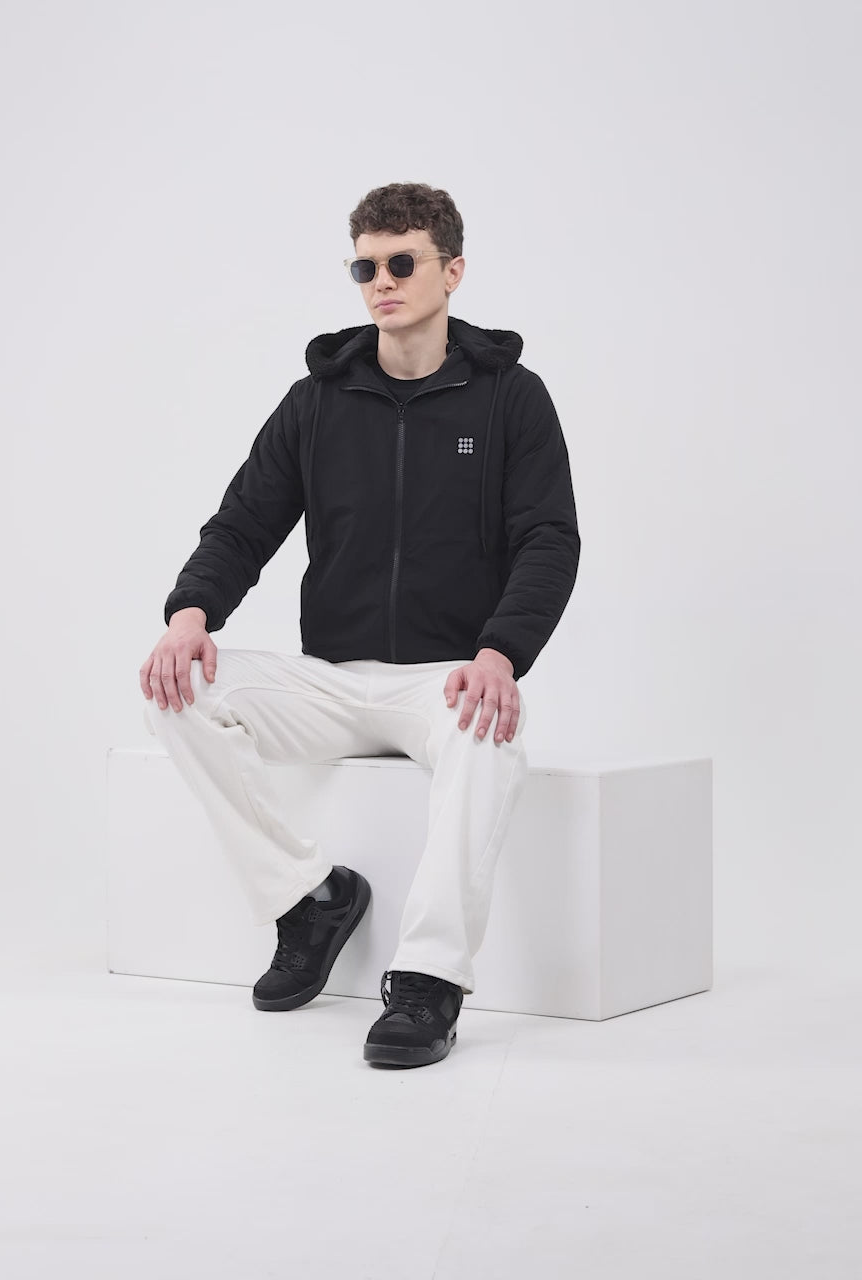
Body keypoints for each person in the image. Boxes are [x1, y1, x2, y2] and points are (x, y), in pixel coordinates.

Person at [140, 182, 580, 1068]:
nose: (382, 281)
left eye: (402, 262)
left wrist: (500, 653)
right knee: (175, 689)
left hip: (444, 679)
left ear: (453, 271)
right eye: (366, 267)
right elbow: (242, 524)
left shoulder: (510, 399)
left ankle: (428, 978)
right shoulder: (317, 401)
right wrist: (190, 615)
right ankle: (309, 901)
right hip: (333, 679)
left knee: (488, 737)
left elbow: (549, 538)